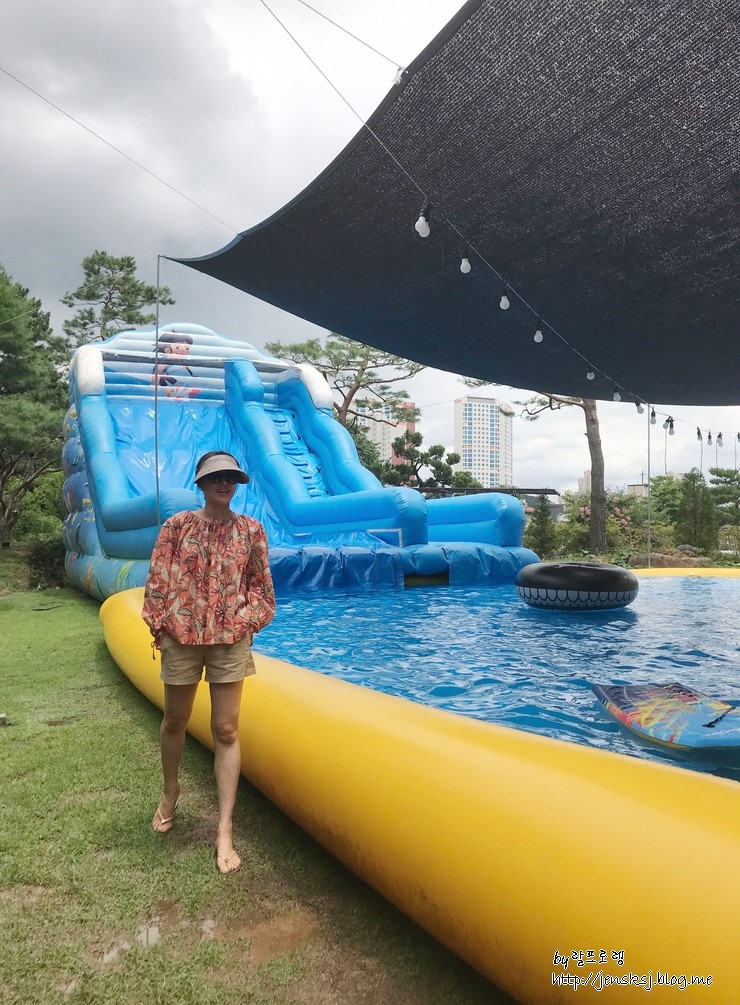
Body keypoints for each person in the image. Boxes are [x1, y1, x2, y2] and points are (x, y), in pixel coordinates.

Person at [142, 450, 275, 874]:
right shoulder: (177, 527)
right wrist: (160, 625)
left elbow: (262, 590)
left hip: (229, 640)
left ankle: (224, 829)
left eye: (230, 477)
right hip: (181, 635)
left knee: (227, 729)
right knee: (175, 721)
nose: (224, 482)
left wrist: (245, 621)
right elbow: (157, 580)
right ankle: (170, 792)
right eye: (216, 477)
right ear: (200, 483)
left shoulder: (251, 531)